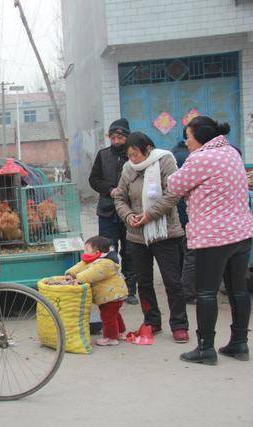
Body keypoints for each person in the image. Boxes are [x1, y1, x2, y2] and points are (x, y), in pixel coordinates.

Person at [168, 116, 253, 365]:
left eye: (188, 136)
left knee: (206, 292)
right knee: (238, 290)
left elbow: (174, 184)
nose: (186, 142)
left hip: (213, 236)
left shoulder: (201, 158)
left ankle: (206, 348)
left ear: (200, 137)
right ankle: (239, 343)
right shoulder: (231, 153)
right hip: (241, 233)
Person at [112, 132, 189, 343]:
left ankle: (180, 325)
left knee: (172, 280)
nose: (133, 159)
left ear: (147, 149)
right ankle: (152, 320)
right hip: (137, 235)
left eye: (135, 154)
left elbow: (173, 193)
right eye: (129, 156)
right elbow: (119, 196)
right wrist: (128, 216)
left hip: (165, 232)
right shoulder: (128, 169)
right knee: (143, 281)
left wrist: (149, 215)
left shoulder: (165, 161)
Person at [89, 118, 138, 305]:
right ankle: (110, 289)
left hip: (129, 212)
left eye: (120, 137)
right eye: (113, 137)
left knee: (130, 251)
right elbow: (94, 180)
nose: (116, 141)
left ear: (127, 137)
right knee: (108, 251)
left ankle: (130, 289)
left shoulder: (134, 156)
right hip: (107, 211)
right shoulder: (103, 155)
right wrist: (110, 189)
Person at [65, 236, 128, 346]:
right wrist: (70, 273)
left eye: (87, 250)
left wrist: (77, 279)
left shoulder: (105, 264)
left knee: (107, 317)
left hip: (112, 296)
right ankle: (120, 332)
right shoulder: (94, 259)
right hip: (109, 296)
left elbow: (91, 274)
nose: (86, 253)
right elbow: (81, 265)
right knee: (114, 315)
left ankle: (111, 338)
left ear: (97, 252)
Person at [171, 128, 196, 304]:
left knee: (182, 248)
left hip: (177, 208)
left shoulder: (173, 153)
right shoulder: (191, 157)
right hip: (189, 209)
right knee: (191, 252)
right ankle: (188, 291)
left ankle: (181, 283)